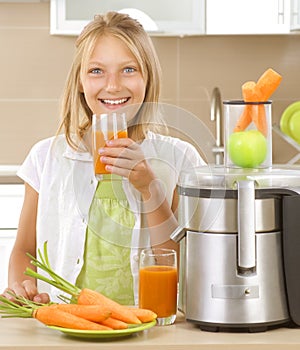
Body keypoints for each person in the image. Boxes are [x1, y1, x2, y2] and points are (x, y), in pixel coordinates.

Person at [4, 12, 205, 305]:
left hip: (149, 326)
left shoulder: (180, 158)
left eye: (128, 69)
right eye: (97, 71)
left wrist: (150, 188)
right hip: (68, 326)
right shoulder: (45, 158)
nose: (112, 86)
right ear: (81, 82)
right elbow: (25, 249)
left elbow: (183, 264)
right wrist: (24, 287)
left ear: (148, 78)